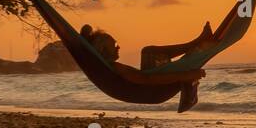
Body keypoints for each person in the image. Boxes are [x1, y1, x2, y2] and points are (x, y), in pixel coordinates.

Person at [80, 23, 210, 112]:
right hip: (154, 91)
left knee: (149, 52)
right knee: (149, 51)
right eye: (114, 44)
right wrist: (186, 75)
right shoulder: (116, 67)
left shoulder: (109, 68)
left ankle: (196, 45)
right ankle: (196, 45)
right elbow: (146, 79)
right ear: (103, 49)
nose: (118, 47)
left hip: (150, 91)